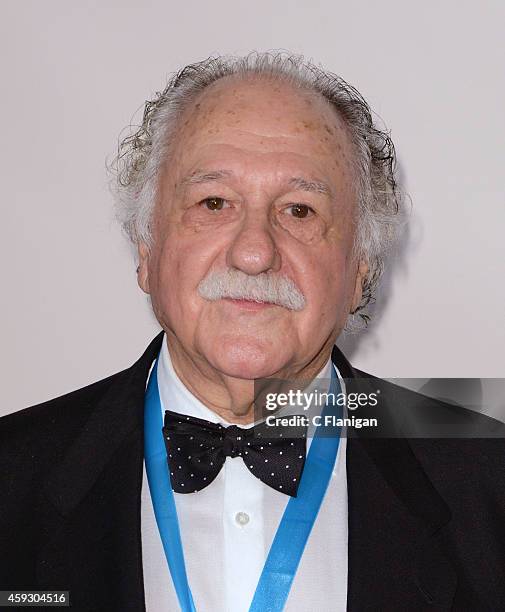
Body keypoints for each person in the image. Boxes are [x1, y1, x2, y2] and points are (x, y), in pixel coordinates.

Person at [1, 52, 504, 612]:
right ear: (147, 247)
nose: (254, 252)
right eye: (213, 203)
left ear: (360, 266)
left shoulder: (490, 484)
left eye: (300, 211)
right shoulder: (12, 477)